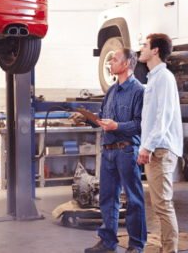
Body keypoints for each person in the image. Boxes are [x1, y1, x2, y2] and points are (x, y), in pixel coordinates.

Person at [70, 48, 147, 253]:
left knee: (133, 199)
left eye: (114, 59)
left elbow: (140, 124)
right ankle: (107, 242)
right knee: (106, 198)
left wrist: (117, 127)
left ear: (127, 64)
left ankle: (136, 246)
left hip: (127, 151)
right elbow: (102, 116)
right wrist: (86, 117)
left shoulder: (138, 91)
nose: (110, 63)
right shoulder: (111, 91)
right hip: (108, 152)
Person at [138, 33, 183, 253]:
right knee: (160, 205)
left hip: (161, 149)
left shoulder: (164, 77)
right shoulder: (153, 78)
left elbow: (163, 116)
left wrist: (148, 146)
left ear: (155, 50)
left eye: (145, 45)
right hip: (155, 148)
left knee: (163, 205)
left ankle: (169, 251)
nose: (141, 49)